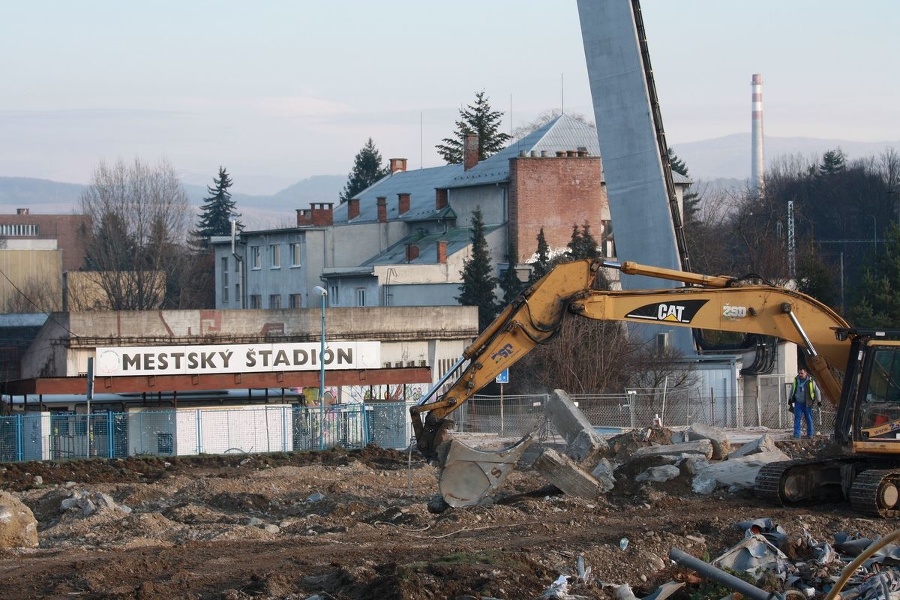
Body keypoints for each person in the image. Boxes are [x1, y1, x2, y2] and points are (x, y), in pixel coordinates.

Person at [789, 367, 819, 439]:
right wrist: (790, 399)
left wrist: (819, 400)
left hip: (807, 403)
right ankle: (796, 435)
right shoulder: (796, 380)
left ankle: (810, 434)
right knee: (797, 418)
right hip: (798, 403)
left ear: (806, 373)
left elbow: (817, 391)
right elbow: (792, 389)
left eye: (802, 373)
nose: (800, 374)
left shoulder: (811, 381)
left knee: (809, 418)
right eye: (799, 373)